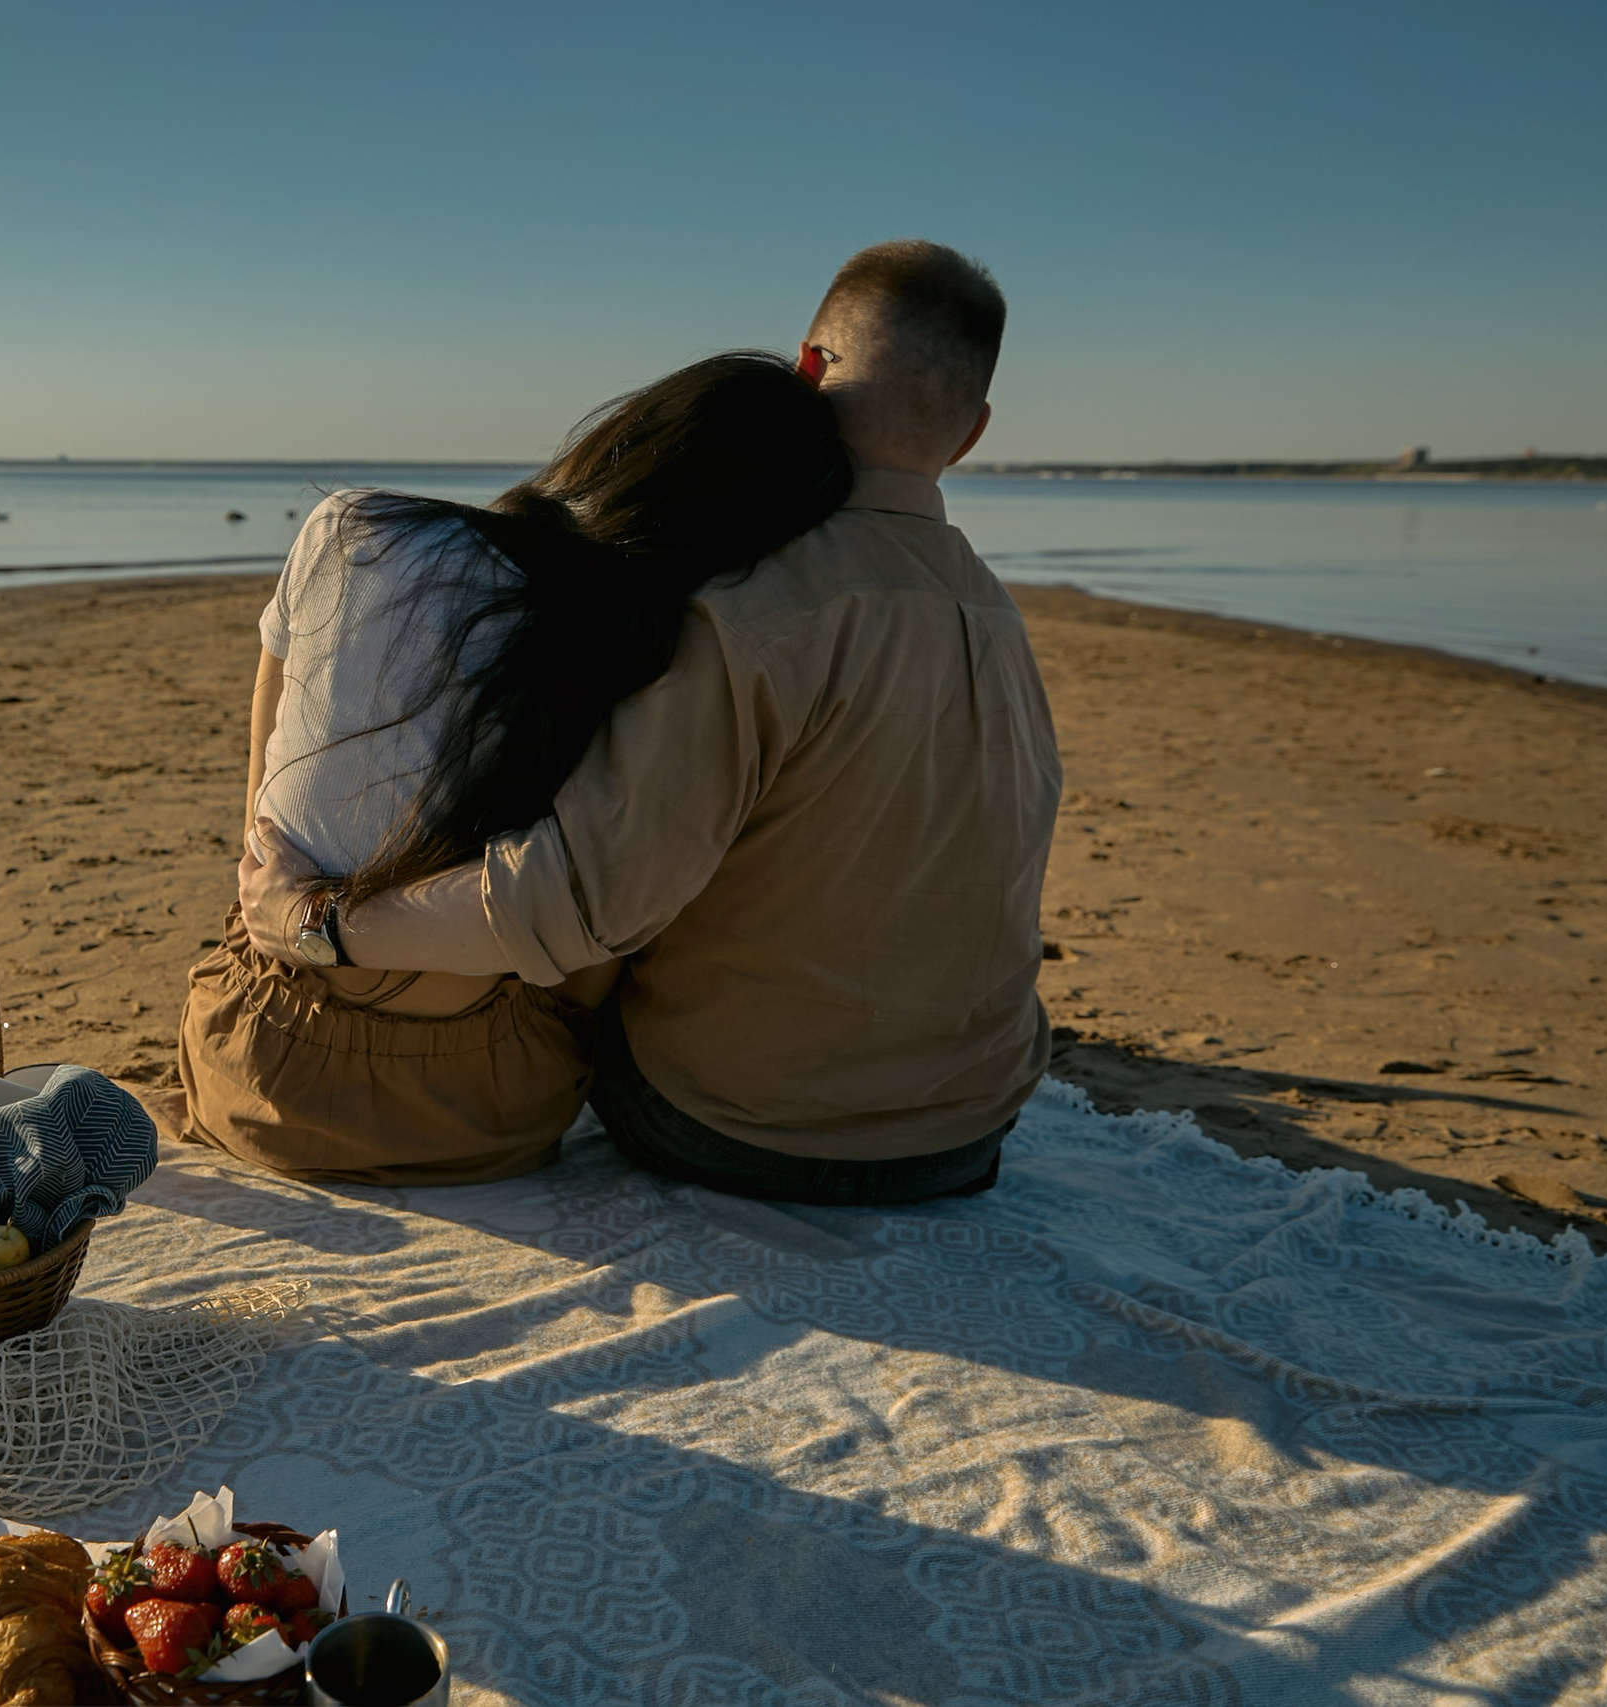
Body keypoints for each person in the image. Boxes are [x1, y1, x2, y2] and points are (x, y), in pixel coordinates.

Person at [240, 240, 1062, 1205]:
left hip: (744, 1130)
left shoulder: (751, 605)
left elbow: (572, 902)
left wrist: (323, 923)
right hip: (969, 1130)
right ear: (970, 435)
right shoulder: (999, 616)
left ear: (807, 369)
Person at [178, 353, 855, 1185]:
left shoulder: (352, 529)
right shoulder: (655, 651)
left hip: (251, 1059)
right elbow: (593, 942)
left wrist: (288, 912)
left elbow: (267, 780)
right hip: (481, 1111)